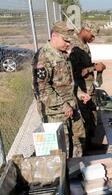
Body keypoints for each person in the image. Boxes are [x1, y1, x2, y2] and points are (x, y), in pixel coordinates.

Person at [32, 21, 88, 157]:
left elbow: (67, 83)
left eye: (70, 41)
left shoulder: (62, 54)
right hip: (56, 114)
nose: (68, 44)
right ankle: (65, 177)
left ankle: (78, 171)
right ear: (54, 36)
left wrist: (80, 94)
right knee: (61, 152)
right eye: (66, 40)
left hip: (72, 107)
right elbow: (42, 89)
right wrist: (63, 106)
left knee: (79, 142)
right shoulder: (43, 57)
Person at [69, 21, 106, 145]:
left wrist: (96, 66)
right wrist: (94, 68)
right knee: (84, 121)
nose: (93, 38)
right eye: (92, 35)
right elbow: (73, 73)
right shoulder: (74, 46)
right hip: (81, 91)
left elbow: (85, 66)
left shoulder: (84, 44)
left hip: (89, 89)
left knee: (92, 117)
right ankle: (86, 149)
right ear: (85, 30)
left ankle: (91, 145)